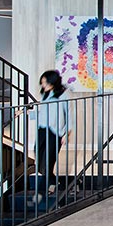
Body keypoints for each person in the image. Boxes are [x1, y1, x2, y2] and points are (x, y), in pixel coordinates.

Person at [31, 70, 72, 205]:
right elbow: (42, 112)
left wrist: (67, 133)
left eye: (45, 83)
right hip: (42, 129)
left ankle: (40, 193)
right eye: (42, 83)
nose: (43, 86)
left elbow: (70, 115)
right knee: (38, 156)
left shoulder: (63, 95)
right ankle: (56, 181)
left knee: (48, 160)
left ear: (52, 82)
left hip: (55, 131)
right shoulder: (45, 95)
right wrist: (24, 112)